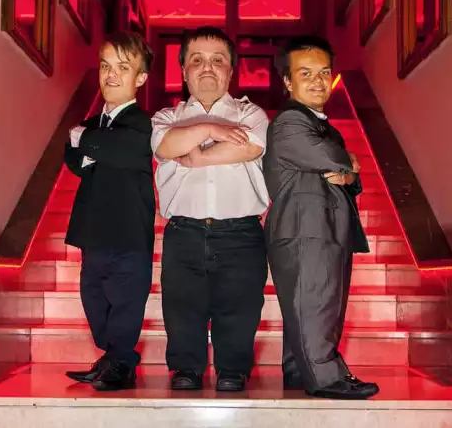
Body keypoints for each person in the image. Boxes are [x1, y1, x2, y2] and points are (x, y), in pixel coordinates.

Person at [151, 26, 269, 392]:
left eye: (218, 61)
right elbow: (167, 146)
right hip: (183, 232)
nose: (207, 68)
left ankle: (233, 369)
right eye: (197, 60)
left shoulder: (252, 113)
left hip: (242, 232)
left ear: (231, 71)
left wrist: (197, 158)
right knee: (182, 306)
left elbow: (250, 147)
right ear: (183, 69)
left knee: (240, 305)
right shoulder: (164, 118)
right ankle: (186, 367)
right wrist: (209, 128)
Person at [263, 35, 380, 400]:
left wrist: (348, 172)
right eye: (305, 73)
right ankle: (327, 378)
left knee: (313, 305)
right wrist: (348, 163)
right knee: (316, 305)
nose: (317, 81)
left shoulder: (320, 124)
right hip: (305, 232)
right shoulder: (289, 122)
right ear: (287, 81)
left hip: (320, 229)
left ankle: (300, 371)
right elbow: (334, 159)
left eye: (324, 73)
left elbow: (343, 170)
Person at [64, 32, 155, 391]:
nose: (111, 74)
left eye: (123, 67)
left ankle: (121, 361)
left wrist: (86, 142)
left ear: (141, 78)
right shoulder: (94, 124)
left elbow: (124, 149)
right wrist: (91, 145)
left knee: (126, 303)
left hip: (129, 234)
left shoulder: (141, 123)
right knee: (93, 298)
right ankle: (113, 355)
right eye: (105, 66)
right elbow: (74, 160)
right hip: (94, 233)